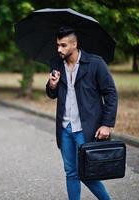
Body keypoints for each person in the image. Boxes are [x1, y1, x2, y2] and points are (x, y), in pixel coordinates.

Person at [46, 26, 118, 200]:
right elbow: (51, 93)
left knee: (87, 173)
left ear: (75, 44)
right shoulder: (57, 64)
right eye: (57, 45)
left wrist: (106, 124)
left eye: (63, 45)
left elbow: (111, 93)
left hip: (87, 128)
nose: (59, 49)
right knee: (71, 172)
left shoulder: (95, 63)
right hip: (65, 128)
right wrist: (52, 85)